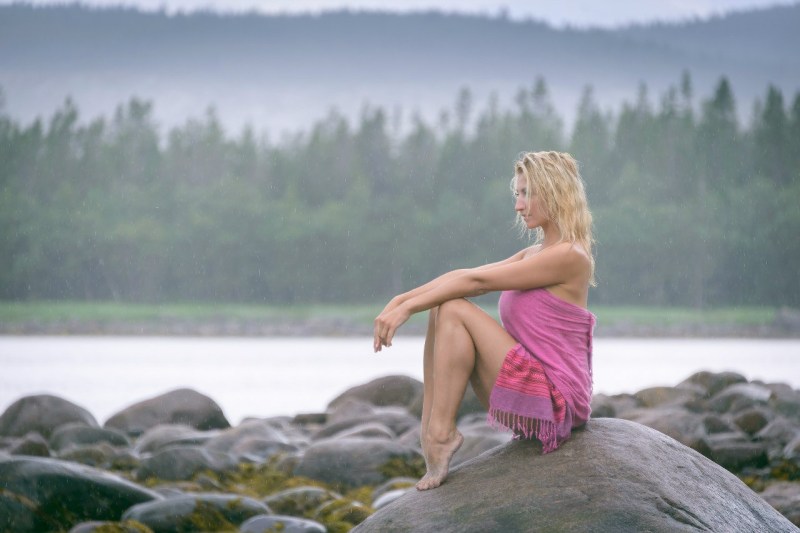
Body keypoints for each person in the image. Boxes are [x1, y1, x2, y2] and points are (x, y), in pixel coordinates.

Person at [373, 150, 596, 491]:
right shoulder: (534, 254)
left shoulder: (570, 256)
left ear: (555, 193)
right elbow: (467, 274)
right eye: (517, 194)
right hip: (535, 387)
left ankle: (440, 434)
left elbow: (478, 285)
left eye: (527, 194)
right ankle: (432, 434)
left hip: (557, 404)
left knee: (452, 308)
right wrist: (401, 300)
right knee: (442, 307)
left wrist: (407, 311)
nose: (519, 205)